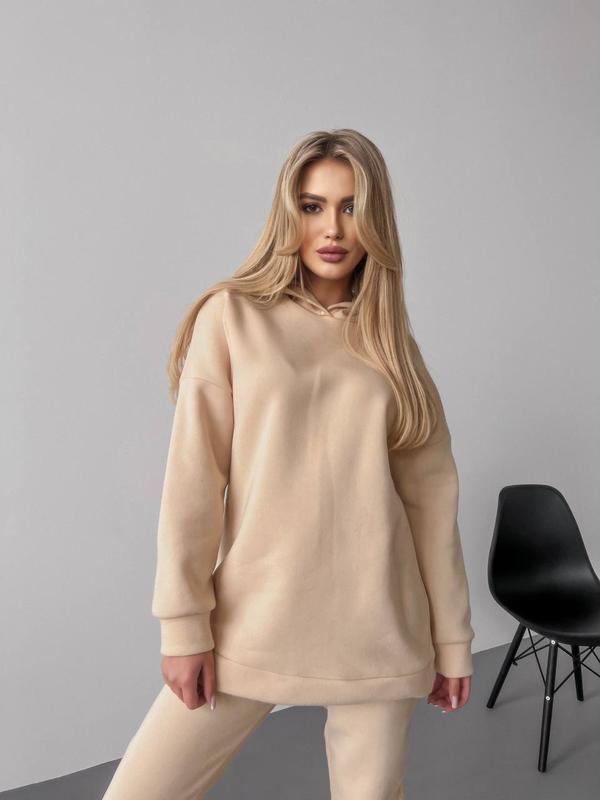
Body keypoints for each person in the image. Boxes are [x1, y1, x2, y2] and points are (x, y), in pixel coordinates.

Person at [102, 128, 475, 799]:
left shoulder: (393, 348)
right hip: (253, 618)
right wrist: (184, 627)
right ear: (288, 214)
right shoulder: (232, 317)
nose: (332, 228)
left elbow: (431, 508)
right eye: (312, 206)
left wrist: (451, 642)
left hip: (380, 630)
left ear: (377, 221)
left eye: (351, 207)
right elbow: (193, 486)